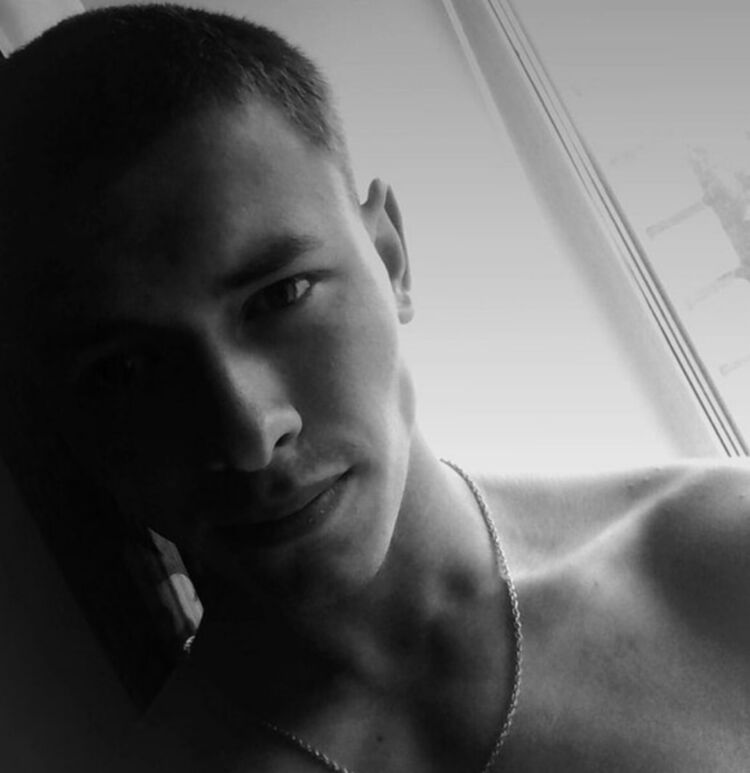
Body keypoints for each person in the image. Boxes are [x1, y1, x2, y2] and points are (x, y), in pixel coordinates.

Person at [0, 5, 748, 772]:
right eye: (126, 370)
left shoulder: (725, 556)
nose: (250, 432)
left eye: (280, 295)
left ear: (390, 257)